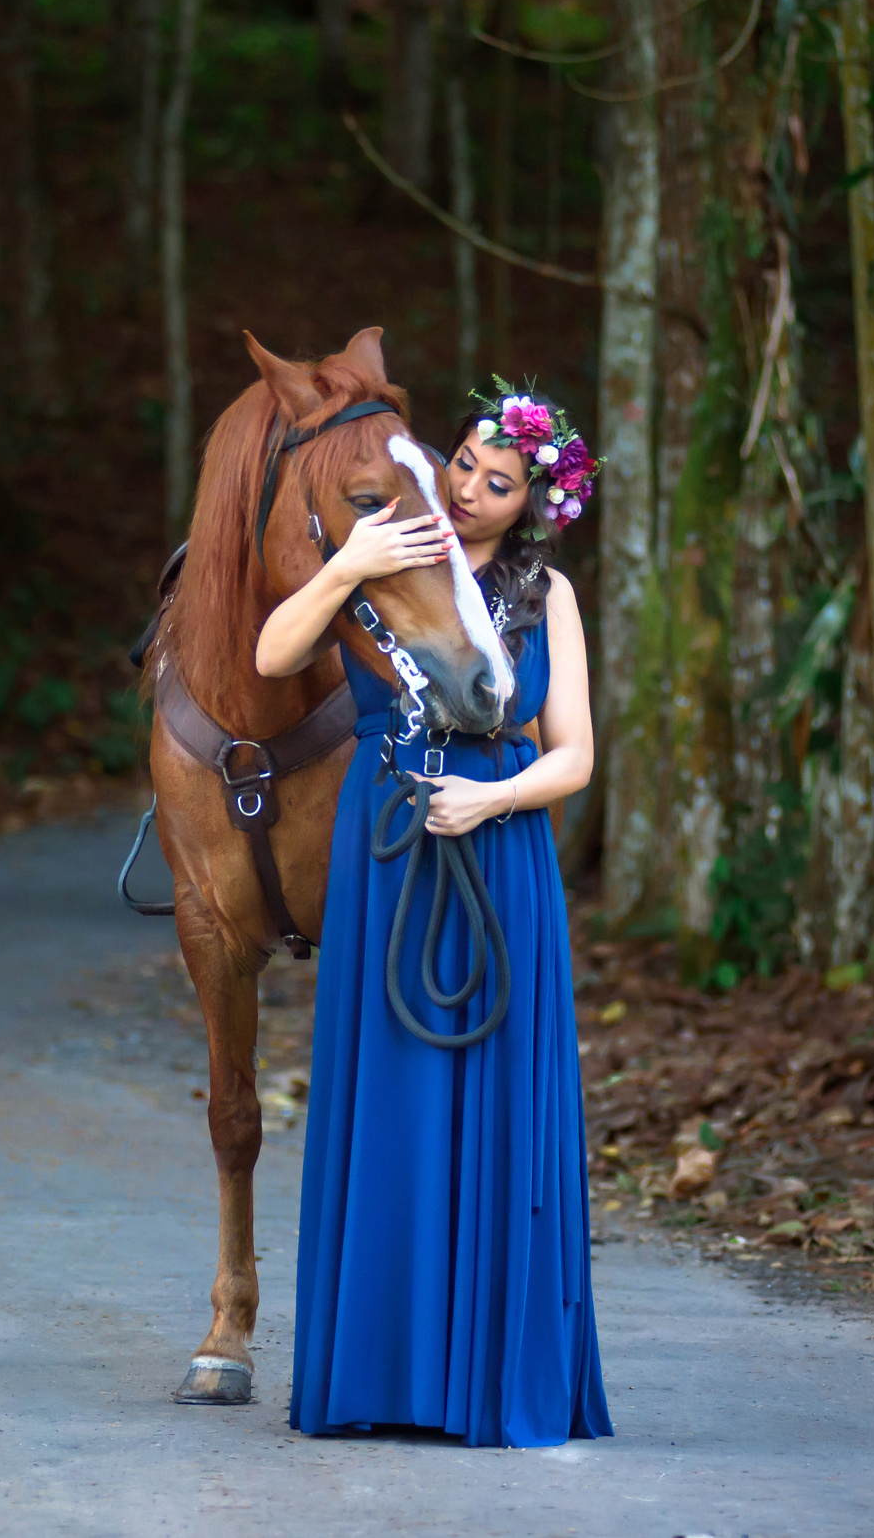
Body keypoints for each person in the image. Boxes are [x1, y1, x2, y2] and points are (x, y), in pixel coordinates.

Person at [255, 385, 611, 1448]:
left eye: (495, 481)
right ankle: (381, 1371)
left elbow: (575, 754)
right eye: (460, 460)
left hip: (495, 846)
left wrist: (493, 797)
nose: (465, 487)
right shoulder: (391, 556)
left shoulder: (546, 596)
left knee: (496, 1096)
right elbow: (278, 654)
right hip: (388, 845)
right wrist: (348, 564)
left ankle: (488, 1377)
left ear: (531, 505)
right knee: (391, 1096)